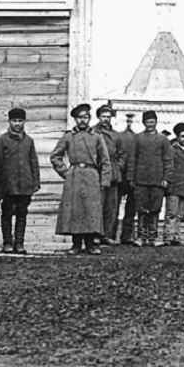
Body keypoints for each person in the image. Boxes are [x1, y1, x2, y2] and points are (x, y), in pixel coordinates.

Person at [50, 103, 112, 255]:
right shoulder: (69, 137)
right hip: (75, 177)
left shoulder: (97, 137)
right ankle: (76, 244)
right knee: (75, 210)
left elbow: (105, 160)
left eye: (85, 117)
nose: (82, 121)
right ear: (75, 120)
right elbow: (55, 156)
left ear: (89, 119)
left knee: (91, 210)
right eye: (79, 118)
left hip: (92, 176)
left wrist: (104, 180)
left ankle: (91, 244)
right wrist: (66, 172)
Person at [0, 107, 41, 254]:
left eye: (20, 121)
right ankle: (7, 242)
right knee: (7, 215)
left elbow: (33, 162)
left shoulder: (29, 141)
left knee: (22, 215)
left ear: (24, 122)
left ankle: (19, 243)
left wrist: (35, 182)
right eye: (14, 121)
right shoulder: (2, 141)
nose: (17, 124)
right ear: (9, 122)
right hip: (8, 186)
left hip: (24, 185)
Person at [128, 110, 173, 246]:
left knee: (155, 209)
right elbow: (132, 159)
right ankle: (141, 236)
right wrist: (131, 178)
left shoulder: (163, 139)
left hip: (157, 180)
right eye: (147, 122)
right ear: (144, 123)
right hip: (141, 180)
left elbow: (168, 160)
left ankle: (153, 237)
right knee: (141, 209)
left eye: (152, 122)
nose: (150, 124)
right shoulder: (138, 138)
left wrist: (167, 178)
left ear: (156, 122)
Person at [92, 105, 127, 245]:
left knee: (111, 206)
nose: (106, 119)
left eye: (108, 116)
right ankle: (95, 235)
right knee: (98, 205)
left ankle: (108, 235)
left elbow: (122, 154)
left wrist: (118, 167)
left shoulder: (116, 135)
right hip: (97, 173)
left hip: (112, 174)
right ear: (98, 117)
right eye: (103, 116)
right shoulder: (93, 132)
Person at [115, 112, 137, 244]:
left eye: (130, 121)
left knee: (131, 208)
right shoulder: (119, 137)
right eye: (127, 121)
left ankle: (126, 235)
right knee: (115, 206)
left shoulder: (136, 138)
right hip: (121, 175)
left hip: (131, 176)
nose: (129, 124)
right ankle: (114, 235)